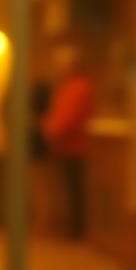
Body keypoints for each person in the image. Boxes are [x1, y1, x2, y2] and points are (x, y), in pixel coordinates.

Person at [41, 45, 94, 240]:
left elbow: (70, 117)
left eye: (61, 65)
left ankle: (77, 230)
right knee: (68, 190)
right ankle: (72, 228)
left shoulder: (79, 87)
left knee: (75, 191)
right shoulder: (67, 87)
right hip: (64, 147)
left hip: (75, 147)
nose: (58, 68)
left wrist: (52, 131)